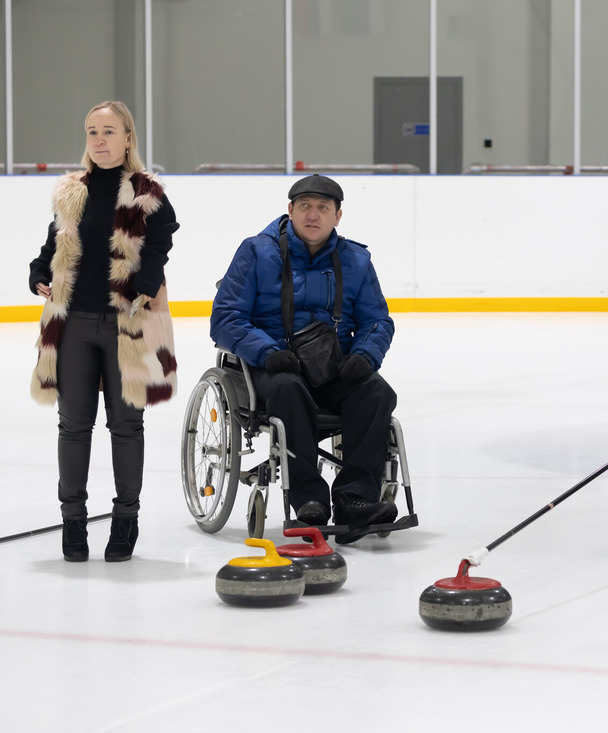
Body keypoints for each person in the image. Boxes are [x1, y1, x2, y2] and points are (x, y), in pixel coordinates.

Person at [211, 174, 398, 545]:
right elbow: (225, 318)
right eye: (305, 207)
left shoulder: (356, 260)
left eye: (323, 208)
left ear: (338, 216)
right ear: (291, 210)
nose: (313, 215)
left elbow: (377, 320)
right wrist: (266, 351)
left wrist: (364, 354)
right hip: (273, 366)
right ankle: (309, 496)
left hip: (332, 366)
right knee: (288, 390)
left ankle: (354, 497)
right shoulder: (256, 252)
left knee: (377, 392)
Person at [29, 100, 179, 563]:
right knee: (73, 426)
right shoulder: (71, 190)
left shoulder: (145, 192)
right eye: (93, 132)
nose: (99, 140)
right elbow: (55, 240)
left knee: (126, 426)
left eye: (109, 132)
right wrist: (37, 268)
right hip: (73, 323)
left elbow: (161, 238)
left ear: (128, 138)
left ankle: (125, 520)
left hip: (126, 324)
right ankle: (73, 522)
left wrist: (148, 279)